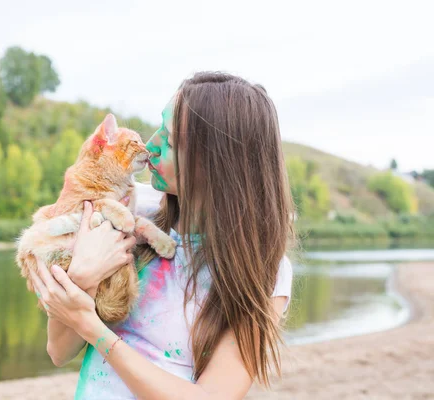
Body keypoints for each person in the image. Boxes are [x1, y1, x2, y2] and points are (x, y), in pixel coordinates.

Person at [29, 71, 295, 400]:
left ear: (216, 163)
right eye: (159, 127)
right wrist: (82, 279)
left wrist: (92, 327)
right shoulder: (129, 213)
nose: (150, 146)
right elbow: (58, 350)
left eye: (169, 140)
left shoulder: (266, 271)